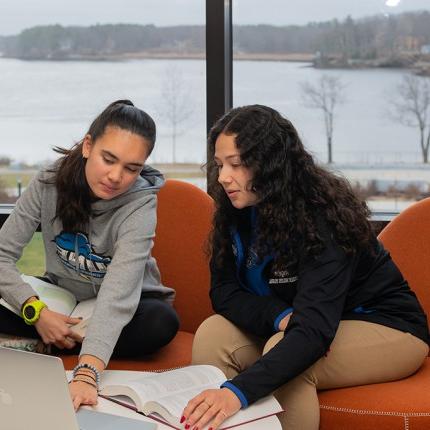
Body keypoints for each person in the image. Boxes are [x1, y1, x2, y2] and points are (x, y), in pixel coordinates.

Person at [181, 104, 430, 430]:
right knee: (212, 334)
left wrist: (235, 393)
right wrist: (276, 314)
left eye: (237, 164)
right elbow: (223, 292)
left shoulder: (322, 218)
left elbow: (312, 333)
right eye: (219, 164)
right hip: (301, 320)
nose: (224, 177)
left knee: (290, 356)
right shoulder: (237, 208)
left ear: (270, 165)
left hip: (387, 327)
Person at [0, 99, 179, 410]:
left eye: (131, 168)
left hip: (128, 307)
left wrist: (87, 373)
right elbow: (2, 254)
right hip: (61, 299)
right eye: (108, 159)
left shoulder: (142, 205)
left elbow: (118, 294)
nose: (115, 176)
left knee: (161, 323)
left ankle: (57, 342)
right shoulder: (47, 183)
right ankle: (56, 333)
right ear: (87, 146)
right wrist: (37, 312)